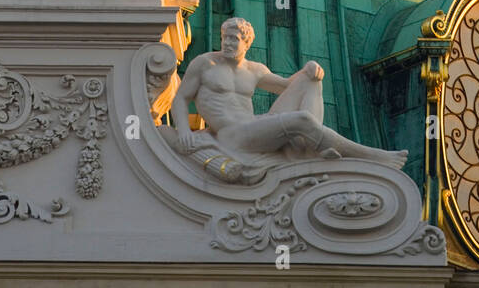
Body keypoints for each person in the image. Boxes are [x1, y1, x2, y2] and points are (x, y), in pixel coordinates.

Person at [170, 17, 408, 179]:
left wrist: (310, 68)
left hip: (253, 127)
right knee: (302, 120)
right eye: (226, 37)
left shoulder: (254, 69)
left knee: (310, 80)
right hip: (231, 135)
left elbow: (287, 85)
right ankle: (371, 156)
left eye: (235, 39)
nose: (228, 43)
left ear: (247, 43)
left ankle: (306, 149)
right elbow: (181, 98)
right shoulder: (205, 63)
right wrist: (183, 131)